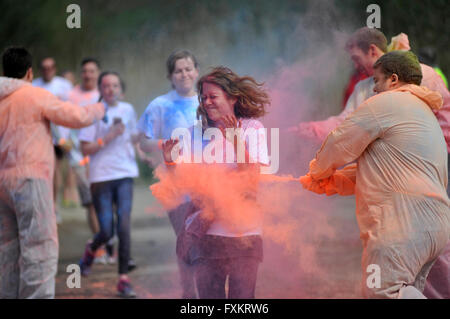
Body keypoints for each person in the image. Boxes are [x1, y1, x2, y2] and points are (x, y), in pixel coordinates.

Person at [295, 27, 450, 299]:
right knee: (405, 290)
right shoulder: (422, 113)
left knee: (383, 291)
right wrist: (332, 183)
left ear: (393, 79)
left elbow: (340, 142)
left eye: (376, 81)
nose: (373, 88)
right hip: (435, 227)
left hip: (403, 225)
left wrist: (316, 172)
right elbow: (378, 168)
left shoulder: (385, 103)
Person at [0, 47, 105, 299]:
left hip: (2, 182)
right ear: (29, 72)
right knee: (39, 247)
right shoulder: (35, 95)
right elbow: (76, 117)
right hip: (31, 181)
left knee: (6, 249)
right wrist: (100, 109)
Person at [160, 66, 270, 299]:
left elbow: (252, 179)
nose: (207, 102)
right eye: (204, 97)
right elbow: (182, 187)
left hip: (244, 234)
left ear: (232, 98)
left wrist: (235, 140)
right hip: (206, 234)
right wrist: (170, 163)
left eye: (213, 96)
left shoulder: (252, 129)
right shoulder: (194, 133)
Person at [138, 50, 200, 298]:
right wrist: (165, 144)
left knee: (209, 243)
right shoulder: (160, 106)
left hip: (210, 186)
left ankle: (208, 291)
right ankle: (189, 294)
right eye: (178, 70)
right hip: (176, 189)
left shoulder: (208, 101)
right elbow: (143, 142)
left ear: (196, 71)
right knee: (186, 241)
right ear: (170, 76)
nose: (184, 74)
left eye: (188, 68)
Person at [78, 71, 140, 298]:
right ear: (100, 90)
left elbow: (134, 138)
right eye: (106, 86)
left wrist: (144, 151)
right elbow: (84, 148)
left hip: (125, 174)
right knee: (106, 230)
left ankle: (123, 279)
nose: (111, 89)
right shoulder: (93, 112)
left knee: (123, 225)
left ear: (120, 89)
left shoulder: (128, 109)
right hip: (101, 177)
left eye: (115, 85)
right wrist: (109, 136)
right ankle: (92, 249)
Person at [33, 57, 76, 220]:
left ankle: (55, 204)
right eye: (44, 67)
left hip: (61, 137)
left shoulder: (64, 86)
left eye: (50, 67)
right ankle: (48, 205)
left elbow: (73, 109)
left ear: (55, 68)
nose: (47, 70)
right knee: (47, 170)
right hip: (40, 135)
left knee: (57, 169)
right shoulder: (34, 85)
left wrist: (72, 135)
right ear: (40, 69)